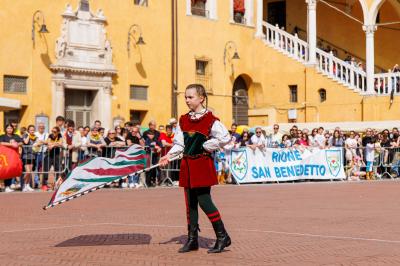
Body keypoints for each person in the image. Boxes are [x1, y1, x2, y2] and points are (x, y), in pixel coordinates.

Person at [159, 84, 231, 254]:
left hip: (201, 164)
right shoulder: (183, 119)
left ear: (201, 98)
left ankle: (222, 236)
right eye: (185, 97)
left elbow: (225, 137)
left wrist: (207, 146)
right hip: (187, 164)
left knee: (204, 201)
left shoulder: (210, 120)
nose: (187, 100)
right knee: (190, 203)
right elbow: (179, 143)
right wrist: (168, 156)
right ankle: (192, 239)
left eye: (190, 97)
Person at [0, 124, 23, 192]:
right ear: (5, 129)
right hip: (4, 156)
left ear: (13, 129)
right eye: (8, 128)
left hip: (13, 156)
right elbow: (1, 142)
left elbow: (21, 142)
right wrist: (11, 144)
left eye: (11, 128)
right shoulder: (3, 136)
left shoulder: (16, 136)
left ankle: (7, 186)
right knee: (2, 170)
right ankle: (2, 185)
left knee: (10, 170)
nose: (9, 129)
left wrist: (17, 144)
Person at [21, 125, 37, 192]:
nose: (32, 131)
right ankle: (24, 185)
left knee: (30, 172)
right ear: (28, 130)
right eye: (31, 130)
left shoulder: (35, 137)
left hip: (32, 155)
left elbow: (37, 144)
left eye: (33, 130)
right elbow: (26, 142)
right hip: (26, 155)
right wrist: (28, 135)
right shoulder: (25, 135)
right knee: (27, 172)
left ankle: (27, 185)